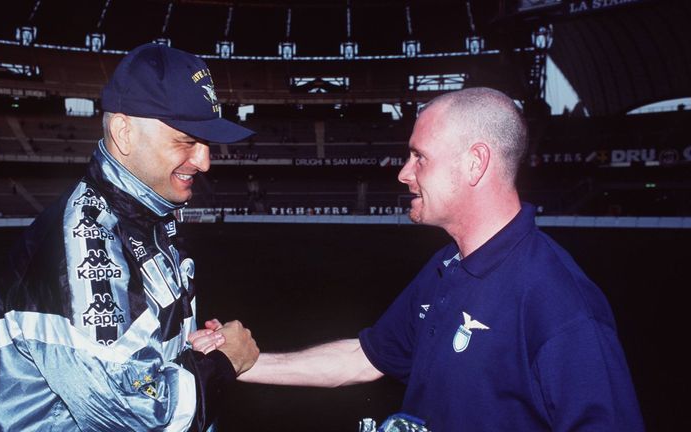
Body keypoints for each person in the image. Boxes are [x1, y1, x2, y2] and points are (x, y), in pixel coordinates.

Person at [235, 88, 644, 431]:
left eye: (420, 157)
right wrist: (241, 364)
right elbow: (364, 358)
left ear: (475, 163)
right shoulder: (446, 265)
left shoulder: (561, 304)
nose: (403, 173)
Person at [0, 43, 259, 431]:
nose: (204, 161)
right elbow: (130, 416)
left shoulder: (145, 217)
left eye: (207, 144)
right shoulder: (85, 244)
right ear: (124, 133)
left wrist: (190, 350)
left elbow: (134, 359)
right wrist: (223, 363)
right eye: (186, 141)